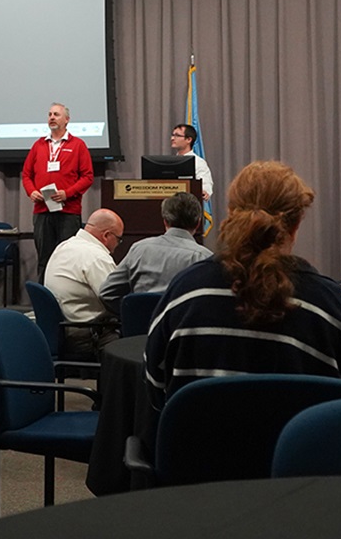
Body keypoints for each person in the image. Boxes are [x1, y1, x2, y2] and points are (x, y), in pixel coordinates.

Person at [146, 161, 341, 412]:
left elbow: (155, 387)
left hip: (199, 438)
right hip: (301, 439)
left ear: (230, 213)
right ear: (296, 225)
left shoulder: (185, 291)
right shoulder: (327, 303)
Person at [98, 192, 212, 309]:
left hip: (142, 320)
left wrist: (130, 313)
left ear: (165, 221)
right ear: (198, 223)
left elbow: (107, 293)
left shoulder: (139, 249)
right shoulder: (205, 258)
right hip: (183, 320)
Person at [21, 103, 95, 281]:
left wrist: (67, 193)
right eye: (50, 115)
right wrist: (31, 192)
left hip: (68, 211)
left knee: (67, 259)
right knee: (44, 259)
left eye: (56, 114)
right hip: (42, 211)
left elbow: (87, 177)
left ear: (67, 120)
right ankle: (43, 296)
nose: (52, 117)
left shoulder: (78, 145)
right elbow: (26, 175)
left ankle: (64, 295)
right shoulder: (39, 145)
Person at [44, 208, 124, 359]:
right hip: (86, 336)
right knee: (138, 339)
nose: (118, 244)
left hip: (62, 328)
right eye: (119, 239)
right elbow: (116, 301)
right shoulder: (96, 257)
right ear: (106, 235)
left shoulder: (64, 246)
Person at [170, 124, 213, 200]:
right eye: (172, 135)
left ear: (189, 139)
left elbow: (205, 183)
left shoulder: (198, 162)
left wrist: (204, 190)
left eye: (177, 135)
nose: (172, 138)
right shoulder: (170, 162)